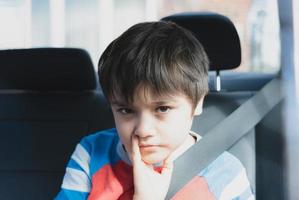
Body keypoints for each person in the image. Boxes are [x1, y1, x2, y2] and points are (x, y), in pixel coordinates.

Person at [55, 21, 254, 200]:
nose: (143, 130)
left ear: (197, 103)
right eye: (126, 110)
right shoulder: (91, 155)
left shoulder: (225, 174)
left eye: (162, 108)